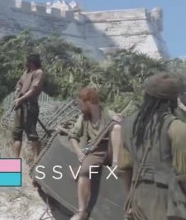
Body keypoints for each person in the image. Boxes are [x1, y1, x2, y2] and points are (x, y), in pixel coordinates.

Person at [118, 72, 186, 220]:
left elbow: (125, 168)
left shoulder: (129, 124)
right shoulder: (177, 128)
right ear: (174, 99)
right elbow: (183, 176)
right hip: (168, 204)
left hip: (137, 199)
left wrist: (130, 200)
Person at [67, 87, 123, 220]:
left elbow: (121, 128)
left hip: (111, 149)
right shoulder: (83, 117)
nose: (80, 107)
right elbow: (72, 136)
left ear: (89, 102)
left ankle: (116, 163)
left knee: (117, 127)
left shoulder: (108, 114)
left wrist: (120, 120)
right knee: (83, 171)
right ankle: (82, 212)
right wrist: (78, 152)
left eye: (81, 104)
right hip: (96, 151)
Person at [12, 54, 45, 159]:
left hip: (30, 105)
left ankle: (36, 160)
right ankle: (15, 160)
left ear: (32, 62)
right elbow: (20, 83)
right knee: (17, 133)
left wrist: (21, 99)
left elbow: (33, 90)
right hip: (20, 105)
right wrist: (18, 91)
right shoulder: (26, 72)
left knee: (31, 133)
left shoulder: (38, 72)